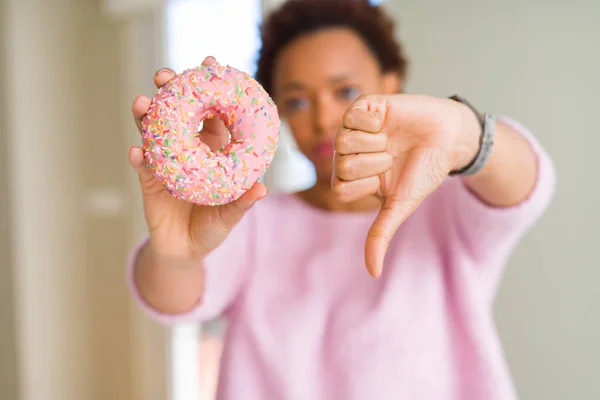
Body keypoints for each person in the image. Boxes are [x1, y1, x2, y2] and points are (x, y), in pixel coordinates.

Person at [127, 0, 555, 399]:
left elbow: (525, 188)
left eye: (346, 91)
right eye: (296, 100)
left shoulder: (447, 209)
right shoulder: (249, 218)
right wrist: (174, 253)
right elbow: (172, 299)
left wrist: (467, 134)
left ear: (391, 83)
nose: (323, 119)